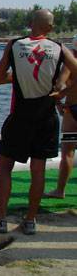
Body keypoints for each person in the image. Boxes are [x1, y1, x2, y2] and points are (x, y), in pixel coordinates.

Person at [0, 10, 77, 235]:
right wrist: (62, 93)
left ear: (29, 23)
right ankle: (30, 221)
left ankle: (1, 219)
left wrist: (20, 75)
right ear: (50, 29)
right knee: (38, 169)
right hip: (46, 116)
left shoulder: (14, 45)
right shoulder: (59, 48)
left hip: (20, 115)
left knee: (5, 167)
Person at [44, 35, 77, 199]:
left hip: (72, 110)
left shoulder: (71, 62)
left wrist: (59, 101)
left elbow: (58, 84)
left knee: (67, 153)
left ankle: (60, 190)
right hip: (70, 108)